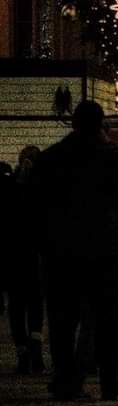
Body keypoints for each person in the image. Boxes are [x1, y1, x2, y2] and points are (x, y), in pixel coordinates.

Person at [28, 101, 118, 401]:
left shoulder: (53, 157)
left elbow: (34, 201)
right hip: (103, 248)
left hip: (61, 250)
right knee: (109, 319)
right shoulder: (108, 155)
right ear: (100, 124)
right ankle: (109, 380)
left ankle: (66, 380)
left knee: (63, 320)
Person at [2, 146, 45, 374]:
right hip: (36, 255)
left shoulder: (9, 188)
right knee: (36, 304)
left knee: (17, 307)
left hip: (13, 255)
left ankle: (22, 352)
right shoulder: (43, 190)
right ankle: (35, 348)